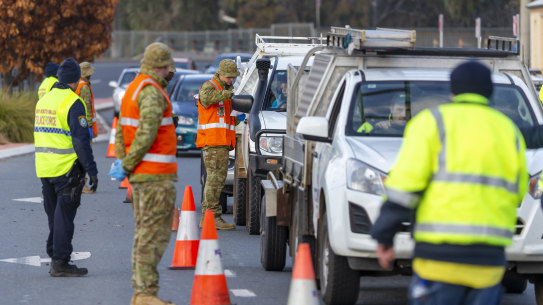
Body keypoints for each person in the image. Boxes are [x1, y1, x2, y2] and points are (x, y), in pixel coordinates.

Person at [370, 60, 527, 305]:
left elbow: (404, 187)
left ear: (453, 91)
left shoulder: (431, 123)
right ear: (489, 92)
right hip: (488, 263)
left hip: (437, 261)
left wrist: (384, 236)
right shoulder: (508, 130)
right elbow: (517, 192)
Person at [109, 42, 177, 305]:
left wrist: (124, 162)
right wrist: (128, 164)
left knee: (143, 234)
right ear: (162, 66)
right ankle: (146, 293)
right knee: (154, 236)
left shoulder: (134, 89)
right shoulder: (150, 92)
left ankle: (141, 292)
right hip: (155, 177)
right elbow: (146, 134)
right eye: (168, 67)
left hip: (141, 175)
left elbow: (120, 131)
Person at [34, 58, 98, 277]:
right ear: (76, 79)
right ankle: (60, 262)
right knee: (64, 218)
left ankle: (55, 254)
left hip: (44, 168)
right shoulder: (73, 102)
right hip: (65, 168)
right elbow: (81, 141)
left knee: (55, 217)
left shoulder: (43, 101)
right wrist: (91, 169)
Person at [196, 59, 239, 230]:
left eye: (233, 77)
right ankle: (212, 217)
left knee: (216, 181)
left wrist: (238, 118)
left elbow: (226, 118)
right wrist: (228, 94)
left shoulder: (224, 90)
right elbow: (206, 99)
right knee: (214, 181)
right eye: (229, 77)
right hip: (213, 142)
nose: (231, 80)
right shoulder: (210, 86)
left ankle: (208, 217)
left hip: (222, 142)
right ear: (220, 74)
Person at [75, 62, 98, 194]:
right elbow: (87, 108)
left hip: (78, 125)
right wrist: (89, 127)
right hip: (84, 126)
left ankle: (79, 183)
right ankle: (82, 185)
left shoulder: (77, 84)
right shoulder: (84, 87)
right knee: (85, 155)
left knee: (79, 156)